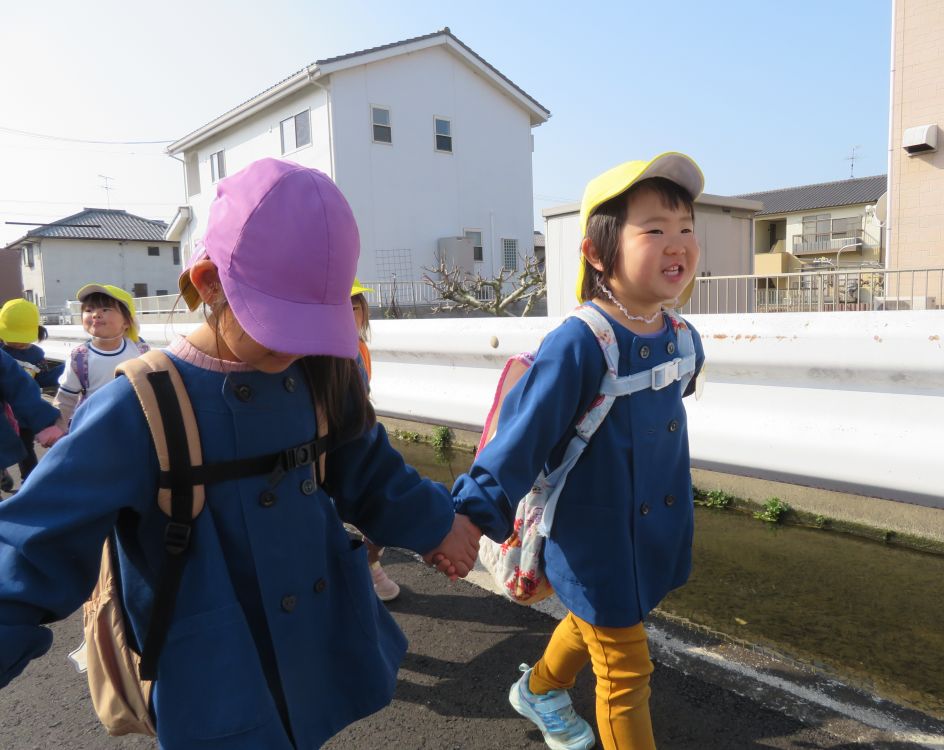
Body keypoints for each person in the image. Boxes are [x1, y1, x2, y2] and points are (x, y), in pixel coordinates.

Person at [0, 158, 480, 749]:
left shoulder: (320, 376)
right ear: (208, 282)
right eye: (281, 322)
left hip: (315, 647)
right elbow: (31, 551)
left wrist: (439, 524)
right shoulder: (140, 407)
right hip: (212, 672)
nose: (300, 346)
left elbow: (368, 468)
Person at [451, 152, 707, 750]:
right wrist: (469, 518)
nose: (678, 245)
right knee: (625, 673)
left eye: (687, 229)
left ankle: (539, 689)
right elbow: (522, 437)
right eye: (655, 230)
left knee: (600, 618)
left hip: (653, 531)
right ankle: (542, 692)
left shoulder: (681, 336)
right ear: (597, 252)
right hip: (595, 539)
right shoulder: (579, 342)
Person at [350, 280, 402, 602]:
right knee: (376, 506)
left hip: (360, 434)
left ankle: (368, 567)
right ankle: (369, 568)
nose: (352, 313)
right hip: (351, 441)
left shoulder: (359, 348)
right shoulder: (336, 353)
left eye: (356, 306)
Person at [53, 283, 147, 425]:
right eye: (89, 310)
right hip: (94, 426)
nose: (96, 314)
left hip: (133, 424)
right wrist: (57, 427)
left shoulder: (140, 350)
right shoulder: (79, 357)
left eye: (105, 309)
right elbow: (66, 398)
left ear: (127, 322)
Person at [0, 298, 65, 481]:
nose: (19, 343)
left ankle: (30, 480)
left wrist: (66, 370)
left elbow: (39, 380)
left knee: (26, 448)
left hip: (26, 415)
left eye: (23, 338)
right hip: (7, 414)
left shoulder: (36, 355)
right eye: (13, 337)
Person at [0, 348, 63, 497]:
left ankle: (27, 481)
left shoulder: (34, 353)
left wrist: (46, 422)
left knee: (27, 449)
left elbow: (19, 386)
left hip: (17, 421)